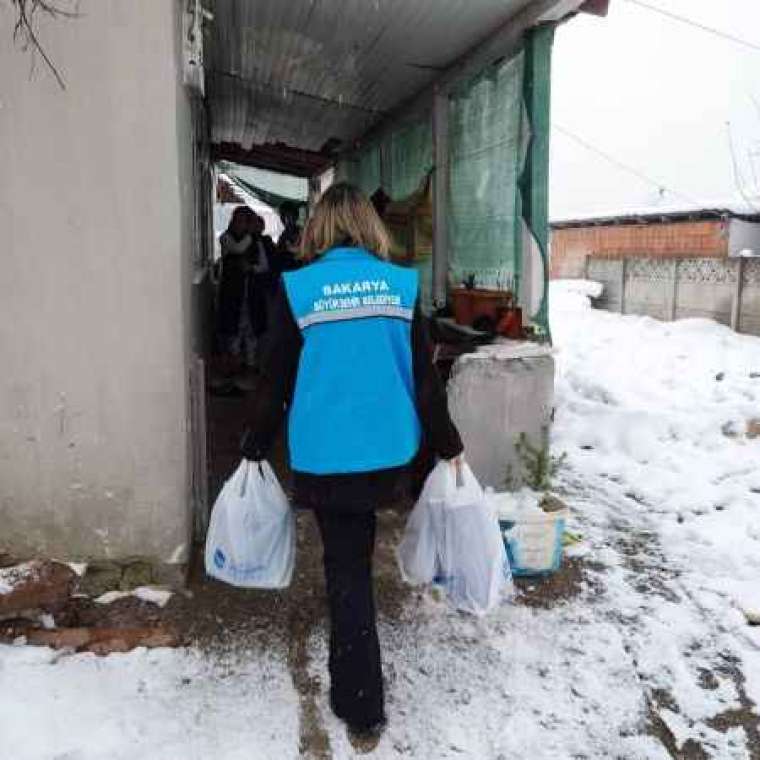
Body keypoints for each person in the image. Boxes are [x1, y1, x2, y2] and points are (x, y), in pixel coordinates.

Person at [240, 183, 463, 750]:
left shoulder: (297, 288)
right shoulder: (400, 285)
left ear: (318, 226)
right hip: (387, 454)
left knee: (347, 570)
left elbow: (275, 381)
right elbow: (424, 379)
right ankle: (359, 689)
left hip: (325, 454)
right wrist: (448, 444)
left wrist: (255, 444)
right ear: (370, 224)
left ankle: (361, 703)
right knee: (355, 557)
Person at [216, 206, 257, 375]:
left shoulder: (251, 242)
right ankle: (231, 368)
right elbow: (237, 249)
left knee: (247, 330)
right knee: (230, 331)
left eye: (244, 221)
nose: (240, 225)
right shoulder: (226, 238)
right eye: (238, 221)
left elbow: (260, 265)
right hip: (230, 293)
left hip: (246, 293)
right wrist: (250, 235)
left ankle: (247, 364)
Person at [275, 200, 303, 272]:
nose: (286, 220)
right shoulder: (283, 235)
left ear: (295, 216)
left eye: (289, 216)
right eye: (283, 216)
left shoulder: (302, 232)